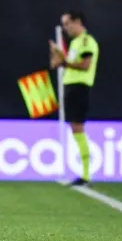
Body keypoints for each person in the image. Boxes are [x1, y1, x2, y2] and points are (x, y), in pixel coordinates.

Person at [49, 10, 100, 186]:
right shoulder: (74, 43)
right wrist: (59, 59)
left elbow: (85, 65)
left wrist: (63, 62)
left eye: (67, 23)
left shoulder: (86, 41)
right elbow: (68, 64)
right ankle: (84, 174)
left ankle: (86, 174)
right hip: (71, 87)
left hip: (80, 87)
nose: (66, 28)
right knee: (75, 128)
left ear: (77, 21)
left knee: (78, 128)